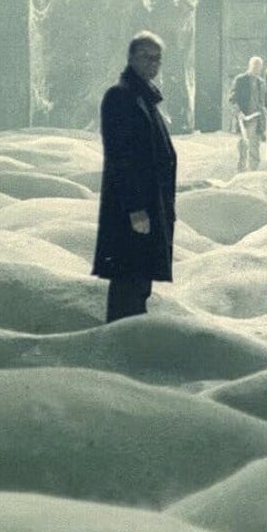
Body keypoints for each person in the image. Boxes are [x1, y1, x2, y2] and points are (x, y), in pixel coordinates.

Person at [91, 30, 178, 322]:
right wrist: (135, 209)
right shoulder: (121, 97)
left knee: (139, 282)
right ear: (131, 58)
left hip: (148, 208)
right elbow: (120, 157)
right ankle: (119, 342)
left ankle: (128, 338)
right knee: (129, 281)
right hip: (134, 212)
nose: (153, 64)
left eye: (158, 59)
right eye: (146, 57)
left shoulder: (144, 98)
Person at [229, 55, 267, 173]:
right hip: (243, 118)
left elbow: (263, 102)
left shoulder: (262, 82)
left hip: (256, 118)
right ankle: (241, 172)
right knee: (243, 145)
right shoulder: (240, 79)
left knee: (254, 145)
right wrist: (238, 112)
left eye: (259, 67)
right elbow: (232, 99)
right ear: (249, 66)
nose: (257, 69)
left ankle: (253, 173)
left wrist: (264, 112)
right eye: (255, 66)